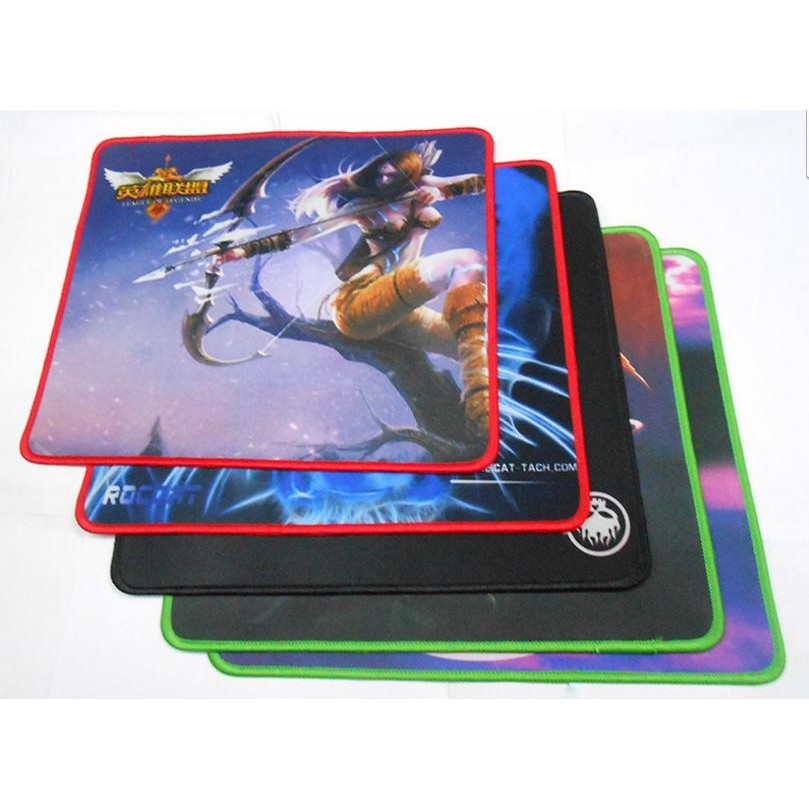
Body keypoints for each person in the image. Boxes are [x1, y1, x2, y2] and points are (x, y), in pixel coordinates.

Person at [214, 141, 490, 438]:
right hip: (358, 304)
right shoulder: (364, 208)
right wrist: (242, 251)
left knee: (476, 347)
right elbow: (299, 235)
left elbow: (482, 181)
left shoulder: (420, 189)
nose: (383, 181)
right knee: (466, 261)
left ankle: (475, 425)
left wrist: (443, 191)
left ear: (408, 177)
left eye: (392, 176)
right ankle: (481, 410)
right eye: (380, 175)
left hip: (398, 312)